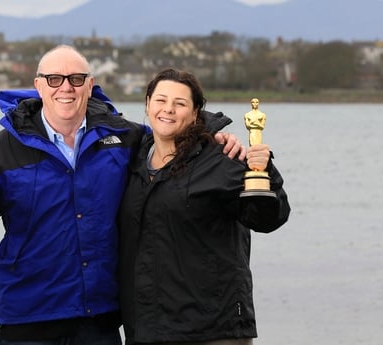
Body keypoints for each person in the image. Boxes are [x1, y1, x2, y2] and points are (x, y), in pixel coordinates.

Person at [0, 45, 245, 345]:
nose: (66, 88)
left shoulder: (124, 138)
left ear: (89, 85)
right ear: (39, 85)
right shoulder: (5, 148)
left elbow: (171, 134)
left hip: (100, 321)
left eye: (76, 79)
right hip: (27, 318)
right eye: (55, 79)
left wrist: (211, 135)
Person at [117, 68, 291, 345]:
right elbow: (76, 103)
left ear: (196, 112)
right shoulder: (133, 158)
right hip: (147, 329)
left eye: (180, 103)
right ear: (148, 104)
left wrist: (264, 170)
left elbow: (269, 218)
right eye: (161, 100)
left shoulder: (222, 158)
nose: (168, 109)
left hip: (212, 331)